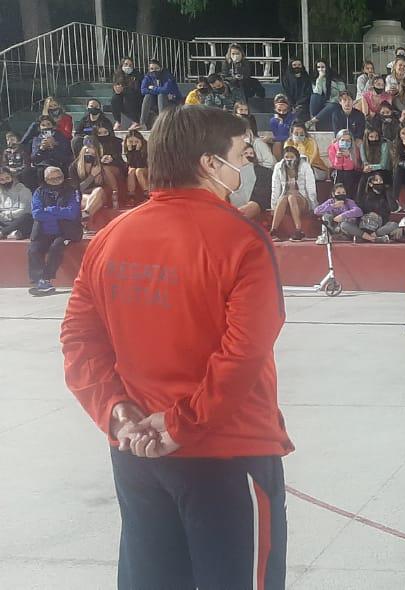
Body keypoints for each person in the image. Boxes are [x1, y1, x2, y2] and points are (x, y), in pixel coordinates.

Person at [61, 105, 291, 587]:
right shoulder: (241, 240)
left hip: (136, 453)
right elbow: (243, 353)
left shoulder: (110, 237)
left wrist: (116, 411)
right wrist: (183, 421)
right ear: (209, 163)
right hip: (224, 451)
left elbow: (80, 340)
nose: (246, 162)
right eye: (239, 152)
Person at [26, 166, 81, 294]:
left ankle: (46, 279)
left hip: (65, 231)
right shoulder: (39, 192)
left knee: (56, 246)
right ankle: (39, 280)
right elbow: (37, 214)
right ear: (46, 179)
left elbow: (72, 213)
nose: (56, 180)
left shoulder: (72, 191)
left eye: (59, 177)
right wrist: (60, 211)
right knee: (33, 249)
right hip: (43, 231)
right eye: (52, 179)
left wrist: (50, 210)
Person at [270, 146, 318, 242]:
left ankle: (298, 230)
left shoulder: (305, 166)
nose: (289, 160)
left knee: (291, 197)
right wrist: (273, 206)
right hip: (285, 201)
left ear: (297, 157)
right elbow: (275, 187)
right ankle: (273, 231)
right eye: (286, 157)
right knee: (284, 198)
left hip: (302, 201)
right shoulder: (278, 167)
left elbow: (311, 187)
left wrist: (314, 205)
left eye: (291, 157)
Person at [73, 141, 116, 225]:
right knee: (90, 199)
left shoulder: (101, 166)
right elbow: (77, 189)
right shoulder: (74, 166)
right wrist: (92, 176)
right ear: (81, 154)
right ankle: (87, 217)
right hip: (84, 197)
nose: (89, 156)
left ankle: (85, 216)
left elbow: (112, 187)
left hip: (101, 195)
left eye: (92, 154)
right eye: (87, 153)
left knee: (98, 190)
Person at [352, 171, 399, 243]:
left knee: (394, 225)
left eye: (381, 180)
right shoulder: (365, 196)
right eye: (376, 180)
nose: (379, 182)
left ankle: (368, 237)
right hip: (365, 223)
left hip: (379, 225)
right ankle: (373, 238)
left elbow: (394, 208)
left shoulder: (386, 195)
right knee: (344, 224)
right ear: (371, 184)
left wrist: (388, 191)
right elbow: (359, 205)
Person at [230, 144, 272, 220]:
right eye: (245, 153)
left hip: (256, 203)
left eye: (251, 153)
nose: (248, 156)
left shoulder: (265, 172)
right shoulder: (232, 172)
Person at [138, 61, 180, 131]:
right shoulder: (147, 76)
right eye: (151, 69)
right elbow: (143, 90)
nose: (154, 70)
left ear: (161, 68)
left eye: (156, 68)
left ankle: (161, 123)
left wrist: (153, 88)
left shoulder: (167, 76)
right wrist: (157, 91)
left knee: (161, 95)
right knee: (148, 96)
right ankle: (142, 123)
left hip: (172, 100)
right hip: (155, 102)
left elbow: (166, 90)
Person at [0, 167, 34, 239]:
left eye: (7, 178)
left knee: (27, 217)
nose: (5, 181)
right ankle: (11, 233)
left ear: (12, 177)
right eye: (2, 180)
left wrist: (7, 215)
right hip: (4, 222)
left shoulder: (23, 190)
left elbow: (25, 210)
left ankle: (3, 233)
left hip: (19, 222)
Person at [328, 128, 363, 196]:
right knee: (339, 175)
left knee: (349, 176)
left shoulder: (355, 148)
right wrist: (338, 158)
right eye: (343, 140)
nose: (345, 142)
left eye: (348, 140)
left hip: (351, 172)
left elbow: (356, 166)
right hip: (338, 172)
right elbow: (335, 166)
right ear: (338, 140)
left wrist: (348, 157)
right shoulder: (332, 148)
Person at [111, 58, 144, 130]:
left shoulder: (137, 75)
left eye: (130, 65)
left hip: (135, 99)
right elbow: (114, 87)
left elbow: (138, 89)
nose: (128, 66)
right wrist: (117, 90)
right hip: (122, 98)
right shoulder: (117, 75)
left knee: (128, 94)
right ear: (122, 65)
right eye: (126, 64)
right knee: (115, 98)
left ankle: (136, 121)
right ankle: (118, 122)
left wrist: (124, 89)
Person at [122, 130, 149, 204]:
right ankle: (131, 196)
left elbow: (141, 164)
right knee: (132, 170)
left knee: (138, 171)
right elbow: (131, 164)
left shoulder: (146, 147)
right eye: (131, 142)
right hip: (135, 168)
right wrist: (130, 151)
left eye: (136, 142)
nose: (133, 144)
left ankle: (147, 194)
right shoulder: (128, 148)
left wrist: (137, 150)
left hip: (146, 168)